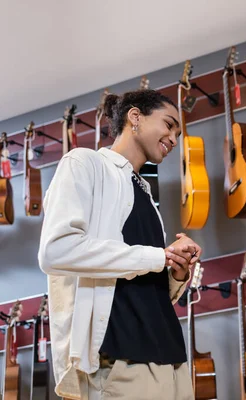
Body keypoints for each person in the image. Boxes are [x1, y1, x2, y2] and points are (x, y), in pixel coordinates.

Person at [38, 89, 200, 400]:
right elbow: (55, 250)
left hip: (173, 365)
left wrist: (175, 271)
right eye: (168, 125)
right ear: (135, 117)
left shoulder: (146, 197)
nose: (174, 138)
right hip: (121, 365)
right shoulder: (85, 163)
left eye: (178, 133)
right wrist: (157, 256)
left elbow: (138, 283)